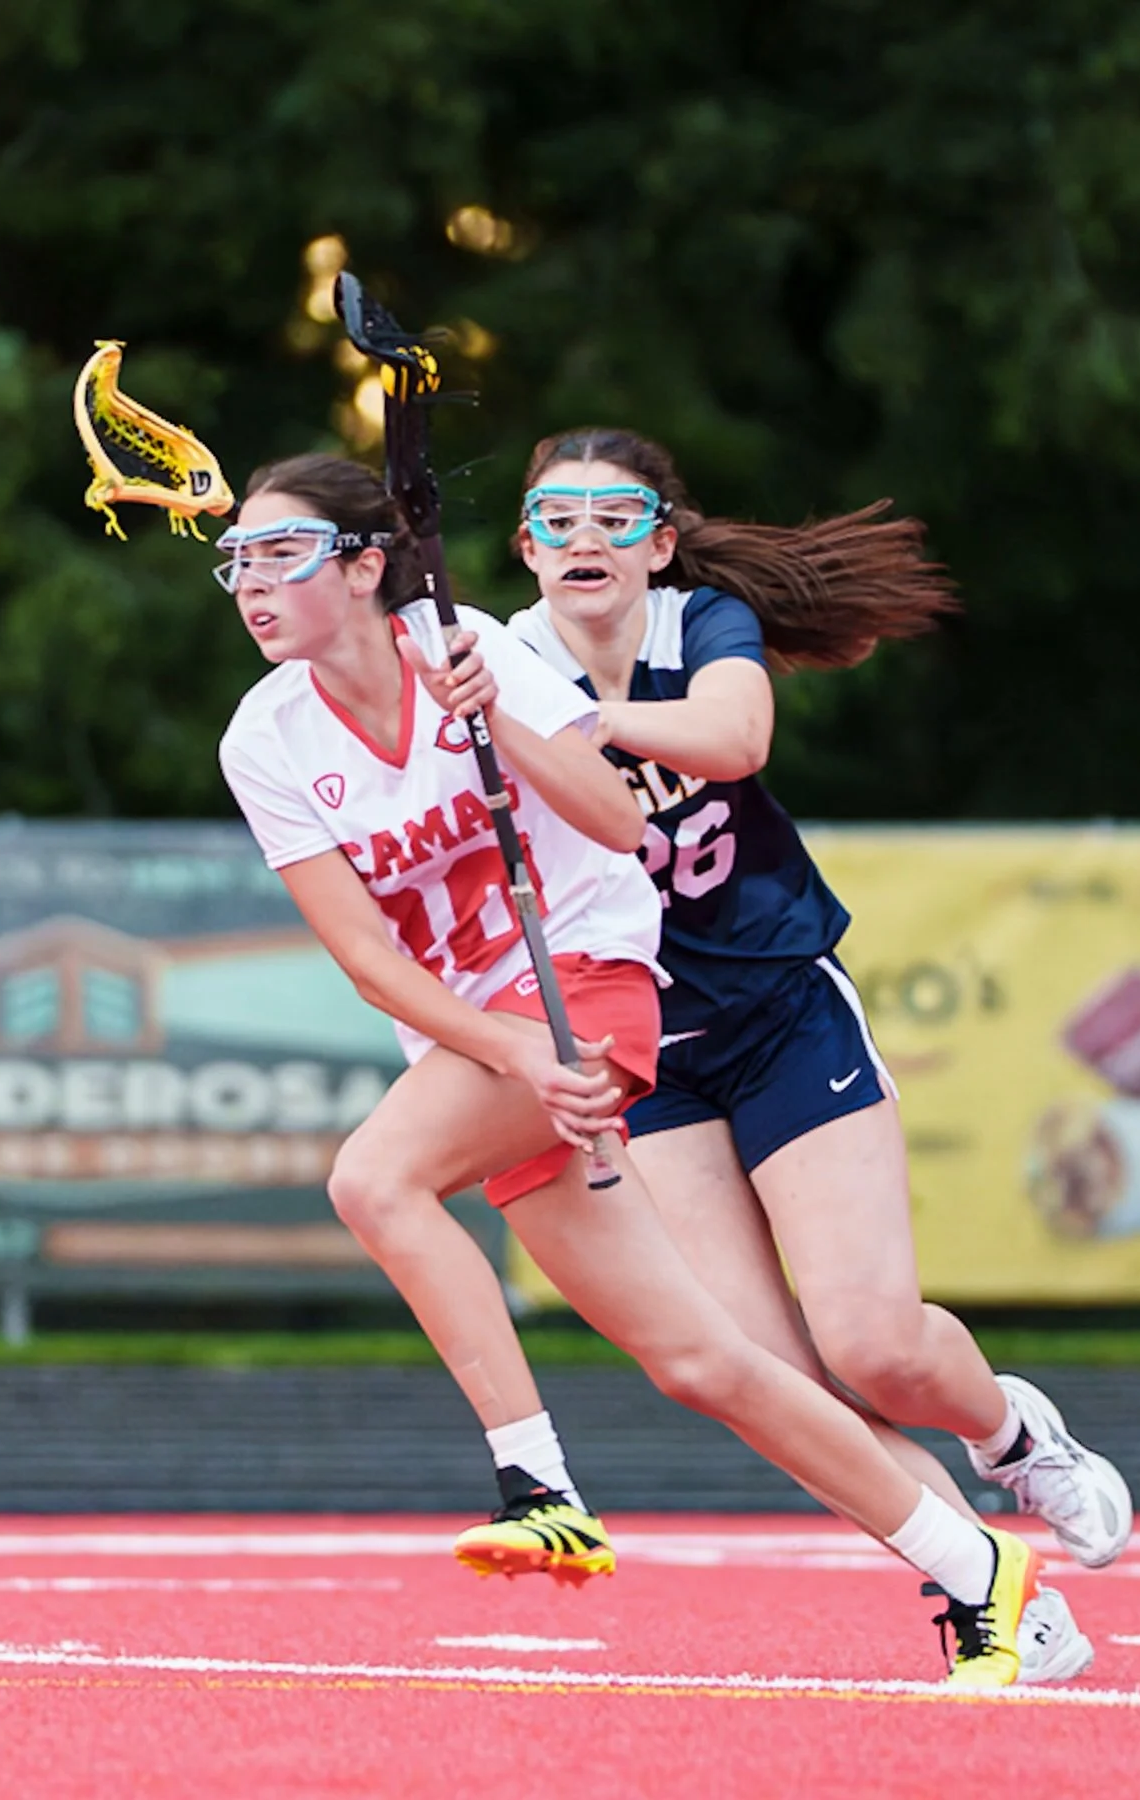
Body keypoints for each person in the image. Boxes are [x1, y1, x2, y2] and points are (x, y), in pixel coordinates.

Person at [216, 450, 1071, 1687]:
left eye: (279, 556)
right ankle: (981, 1571)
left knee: (375, 1180)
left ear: (362, 567)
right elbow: (365, 959)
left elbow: (623, 825)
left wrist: (492, 715)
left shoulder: (470, 650)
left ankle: (538, 1482)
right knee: (709, 1362)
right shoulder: (267, 739)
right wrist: (507, 1047)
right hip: (495, 1048)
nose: (249, 584)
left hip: (593, 991)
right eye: (235, 562)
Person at [480, 427, 1131, 1673]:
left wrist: (558, 720)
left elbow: (733, 742)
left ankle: (1010, 1438)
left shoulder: (694, 626)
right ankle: (998, 1598)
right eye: (554, 519)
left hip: (779, 1004)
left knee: (872, 1343)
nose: (583, 539)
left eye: (613, 516)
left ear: (659, 541)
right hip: (643, 1051)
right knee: (775, 1384)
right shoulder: (493, 661)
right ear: (524, 547)